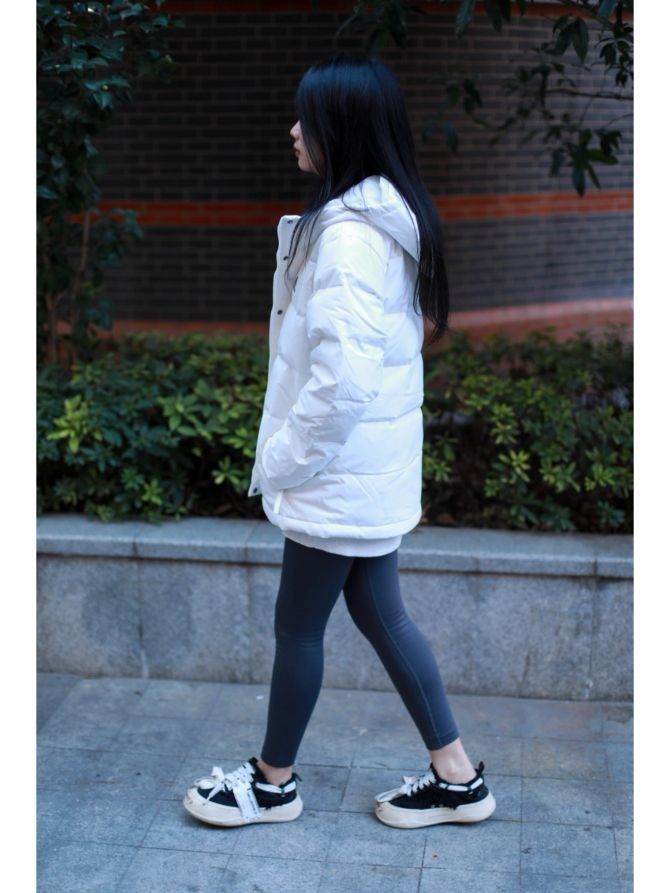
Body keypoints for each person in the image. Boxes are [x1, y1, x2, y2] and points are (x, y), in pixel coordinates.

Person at [183, 53, 496, 831]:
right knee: (382, 616)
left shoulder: (352, 237)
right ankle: (457, 777)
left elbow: (342, 383)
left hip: (335, 472)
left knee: (298, 625)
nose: (294, 131)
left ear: (343, 131)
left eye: (308, 119)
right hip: (361, 471)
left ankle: (272, 782)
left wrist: (282, 460)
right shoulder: (379, 222)